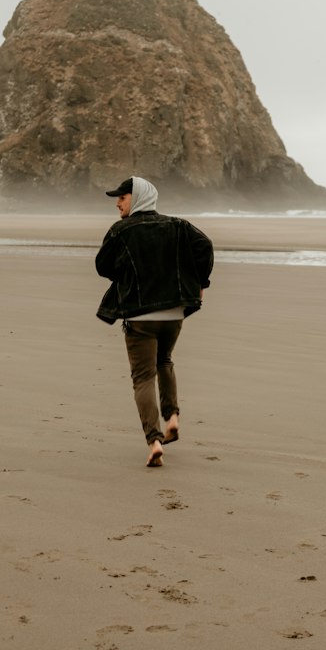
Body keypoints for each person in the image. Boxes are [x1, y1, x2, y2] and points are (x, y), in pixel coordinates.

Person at [95, 176, 214, 467]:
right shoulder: (179, 226)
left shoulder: (121, 231)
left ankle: (154, 440)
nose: (117, 203)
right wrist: (200, 283)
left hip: (140, 317)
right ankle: (172, 417)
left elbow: (102, 266)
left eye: (121, 197)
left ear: (136, 198)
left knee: (143, 377)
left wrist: (126, 275)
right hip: (173, 314)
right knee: (165, 361)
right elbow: (205, 247)